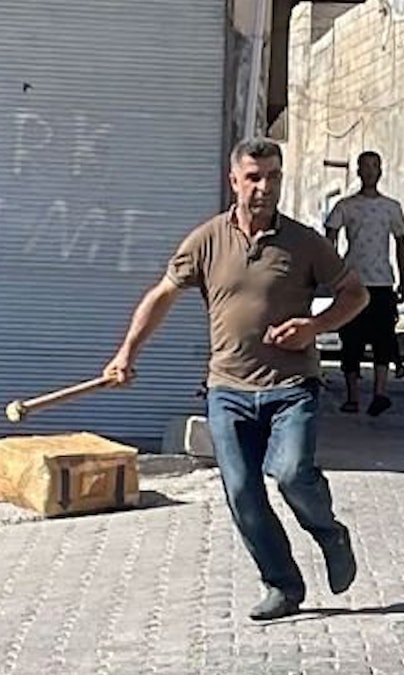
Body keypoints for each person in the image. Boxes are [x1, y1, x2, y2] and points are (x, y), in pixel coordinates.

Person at [102, 138, 367, 621]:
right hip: (228, 392)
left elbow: (355, 294)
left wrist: (316, 325)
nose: (264, 188)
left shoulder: (306, 243)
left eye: (273, 177)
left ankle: (330, 533)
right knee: (242, 492)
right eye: (254, 177)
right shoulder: (206, 241)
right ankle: (282, 585)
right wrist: (126, 353)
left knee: (290, 475)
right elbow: (163, 294)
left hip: (293, 389)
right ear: (234, 181)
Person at [324, 151, 404, 416]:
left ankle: (380, 392)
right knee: (351, 339)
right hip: (353, 282)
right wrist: (332, 273)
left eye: (375, 166)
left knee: (383, 338)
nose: (370, 171)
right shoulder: (345, 206)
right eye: (365, 166)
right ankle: (352, 397)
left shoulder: (391, 207)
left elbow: (401, 243)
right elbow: (330, 238)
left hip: (382, 281)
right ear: (358, 171)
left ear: (381, 171)